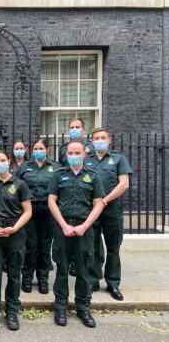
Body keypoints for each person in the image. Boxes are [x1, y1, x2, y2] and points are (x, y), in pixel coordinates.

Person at [48, 140, 105, 328]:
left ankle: (83, 308)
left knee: (83, 271)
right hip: (63, 228)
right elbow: (52, 201)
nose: (73, 155)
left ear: (84, 154)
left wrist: (85, 226)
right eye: (70, 152)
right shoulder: (58, 175)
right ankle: (61, 307)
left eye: (77, 152)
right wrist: (63, 225)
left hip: (84, 230)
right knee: (62, 269)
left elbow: (98, 203)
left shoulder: (93, 177)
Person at [0, 150, 32, 331]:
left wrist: (15, 228)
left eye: (3, 160)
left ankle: (11, 311)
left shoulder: (20, 184)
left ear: (8, 161)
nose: (0, 163)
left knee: (14, 274)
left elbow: (28, 211)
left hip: (15, 233)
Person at [86, 128, 132, 301]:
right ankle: (93, 279)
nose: (100, 140)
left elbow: (124, 184)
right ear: (91, 141)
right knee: (93, 245)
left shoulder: (119, 158)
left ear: (109, 140)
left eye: (103, 138)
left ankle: (113, 282)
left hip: (111, 208)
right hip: (91, 209)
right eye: (96, 138)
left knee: (113, 246)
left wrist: (104, 201)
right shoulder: (87, 159)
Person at [17, 139, 61, 294]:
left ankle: (43, 279)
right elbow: (17, 188)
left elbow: (59, 190)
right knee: (30, 246)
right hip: (30, 211)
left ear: (47, 150)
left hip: (48, 211)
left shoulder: (55, 167)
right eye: (35, 148)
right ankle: (27, 278)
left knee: (44, 247)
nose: (38, 150)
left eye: (41, 148)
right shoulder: (24, 167)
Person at [58, 118, 95, 277]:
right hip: (67, 192)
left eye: (77, 127)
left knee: (90, 245)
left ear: (83, 130)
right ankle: (70, 263)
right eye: (71, 127)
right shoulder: (62, 149)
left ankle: (93, 274)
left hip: (86, 195)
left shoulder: (91, 148)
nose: (74, 129)